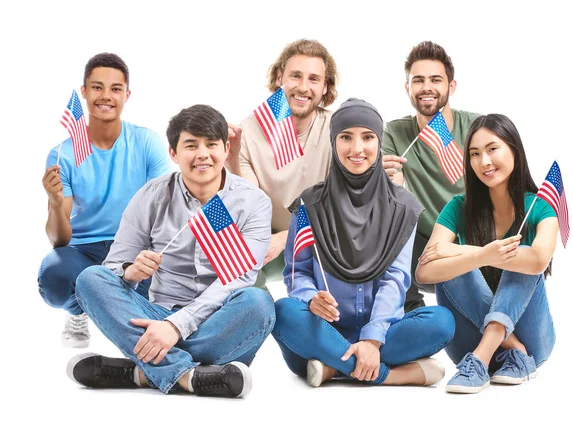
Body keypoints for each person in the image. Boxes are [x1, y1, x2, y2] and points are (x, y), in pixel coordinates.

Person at [66, 104, 274, 398]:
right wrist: (130, 272)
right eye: (191, 145)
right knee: (90, 279)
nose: (202, 154)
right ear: (174, 153)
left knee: (259, 303)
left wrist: (175, 328)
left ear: (226, 149)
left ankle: (140, 372)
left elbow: (237, 278)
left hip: (217, 321)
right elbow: (112, 266)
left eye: (211, 144)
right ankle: (189, 375)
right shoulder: (152, 195)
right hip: (156, 314)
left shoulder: (253, 202)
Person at [271, 98, 455, 388]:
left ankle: (334, 368)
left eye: (368, 137)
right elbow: (298, 273)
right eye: (346, 137)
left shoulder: (403, 207)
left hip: (382, 335)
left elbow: (396, 278)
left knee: (441, 321)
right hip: (323, 331)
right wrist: (311, 299)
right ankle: (388, 375)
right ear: (334, 143)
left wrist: (372, 338)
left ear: (379, 143)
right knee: (283, 312)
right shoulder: (310, 204)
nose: (357, 149)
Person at [227, 39, 407, 298]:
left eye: (313, 79)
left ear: (325, 87)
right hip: (265, 240)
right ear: (279, 78)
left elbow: (346, 207)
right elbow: (249, 204)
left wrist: (289, 235)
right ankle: (258, 313)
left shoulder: (339, 130)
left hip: (321, 239)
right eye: (295, 76)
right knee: (230, 250)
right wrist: (231, 162)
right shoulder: (250, 131)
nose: (303, 87)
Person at [416, 114, 558, 394]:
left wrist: (477, 252)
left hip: (532, 343)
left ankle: (486, 356)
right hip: (468, 342)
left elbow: (539, 260)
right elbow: (424, 271)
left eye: (493, 149)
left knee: (525, 255)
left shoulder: (540, 206)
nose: (484, 162)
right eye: (475, 154)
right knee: (457, 265)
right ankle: (510, 350)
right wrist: (481, 256)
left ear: (513, 149)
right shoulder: (458, 207)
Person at [39, 52, 171, 348]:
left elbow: (164, 208)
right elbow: (59, 240)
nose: (106, 96)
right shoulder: (64, 154)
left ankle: (119, 310)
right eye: (97, 87)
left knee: (163, 290)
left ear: (127, 94)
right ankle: (79, 310)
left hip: (135, 247)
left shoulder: (146, 142)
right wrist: (57, 204)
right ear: (84, 92)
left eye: (115, 89)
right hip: (84, 252)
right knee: (54, 276)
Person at [382, 41, 480, 311]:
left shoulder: (476, 126)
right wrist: (383, 178)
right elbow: (395, 192)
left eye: (436, 79)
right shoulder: (394, 131)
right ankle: (411, 313)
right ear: (408, 88)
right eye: (418, 80)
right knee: (383, 215)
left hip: (472, 243)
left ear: (451, 86)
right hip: (423, 248)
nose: (427, 87)